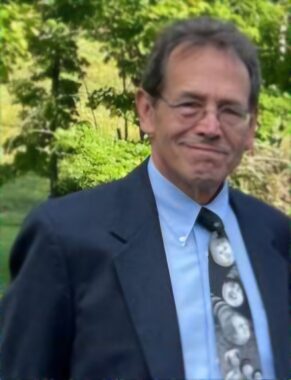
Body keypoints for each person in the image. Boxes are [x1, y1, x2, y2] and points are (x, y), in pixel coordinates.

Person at [0, 17, 289, 380]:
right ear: (147, 111)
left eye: (230, 110)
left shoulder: (277, 238)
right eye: (189, 104)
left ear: (251, 128)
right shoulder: (65, 240)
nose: (210, 127)